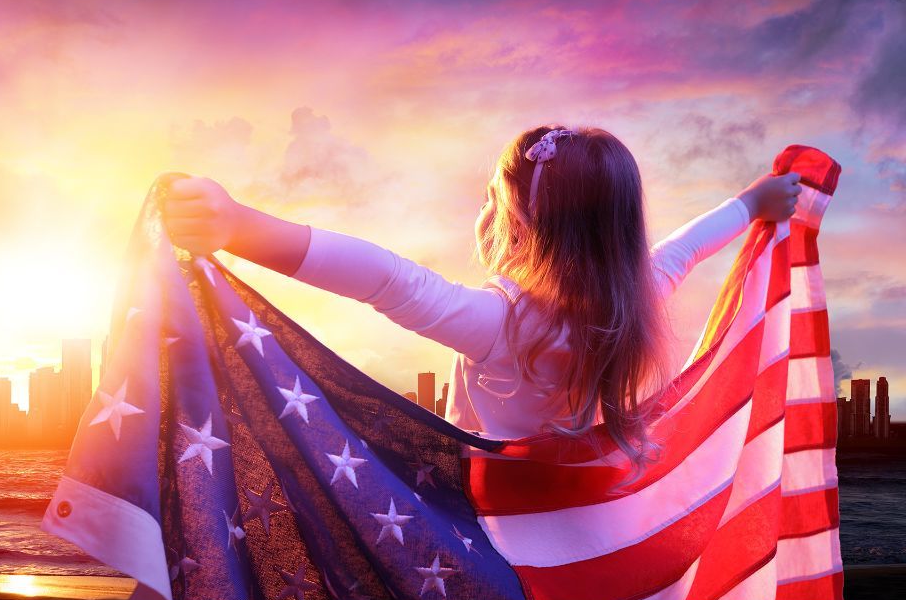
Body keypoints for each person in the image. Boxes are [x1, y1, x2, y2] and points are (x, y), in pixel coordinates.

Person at [163, 124, 801, 471]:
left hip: (500, 534)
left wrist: (240, 227)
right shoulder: (632, 305)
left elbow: (384, 277)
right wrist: (754, 204)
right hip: (594, 514)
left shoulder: (502, 325)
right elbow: (687, 248)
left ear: (517, 225)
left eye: (490, 200)